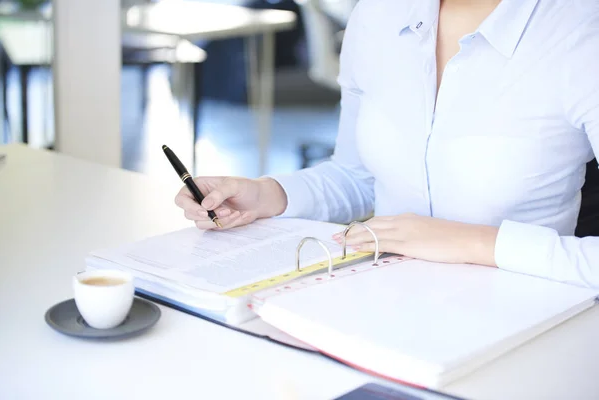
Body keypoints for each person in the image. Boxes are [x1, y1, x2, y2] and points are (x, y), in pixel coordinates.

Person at [175, 0, 599, 289]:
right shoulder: (378, 13)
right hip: (379, 300)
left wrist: (473, 242)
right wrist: (270, 195)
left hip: (524, 320)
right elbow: (357, 176)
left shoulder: (582, 32)